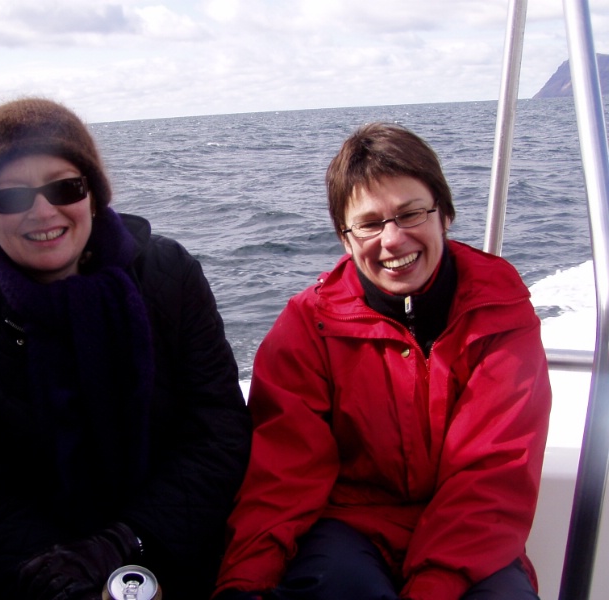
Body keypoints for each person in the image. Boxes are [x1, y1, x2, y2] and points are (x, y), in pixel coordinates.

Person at [0, 97, 252, 599]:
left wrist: (128, 540)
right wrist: (59, 578)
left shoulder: (168, 276)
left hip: (179, 547)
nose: (43, 211)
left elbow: (217, 429)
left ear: (92, 195)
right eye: (12, 196)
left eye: (65, 187)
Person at [214, 122, 552, 600]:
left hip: (472, 535)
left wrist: (432, 588)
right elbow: (282, 477)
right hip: (349, 527)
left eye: (411, 214)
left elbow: (492, 475)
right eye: (370, 224)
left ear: (444, 215)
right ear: (346, 238)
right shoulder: (308, 327)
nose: (392, 240)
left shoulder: (499, 315)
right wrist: (243, 585)